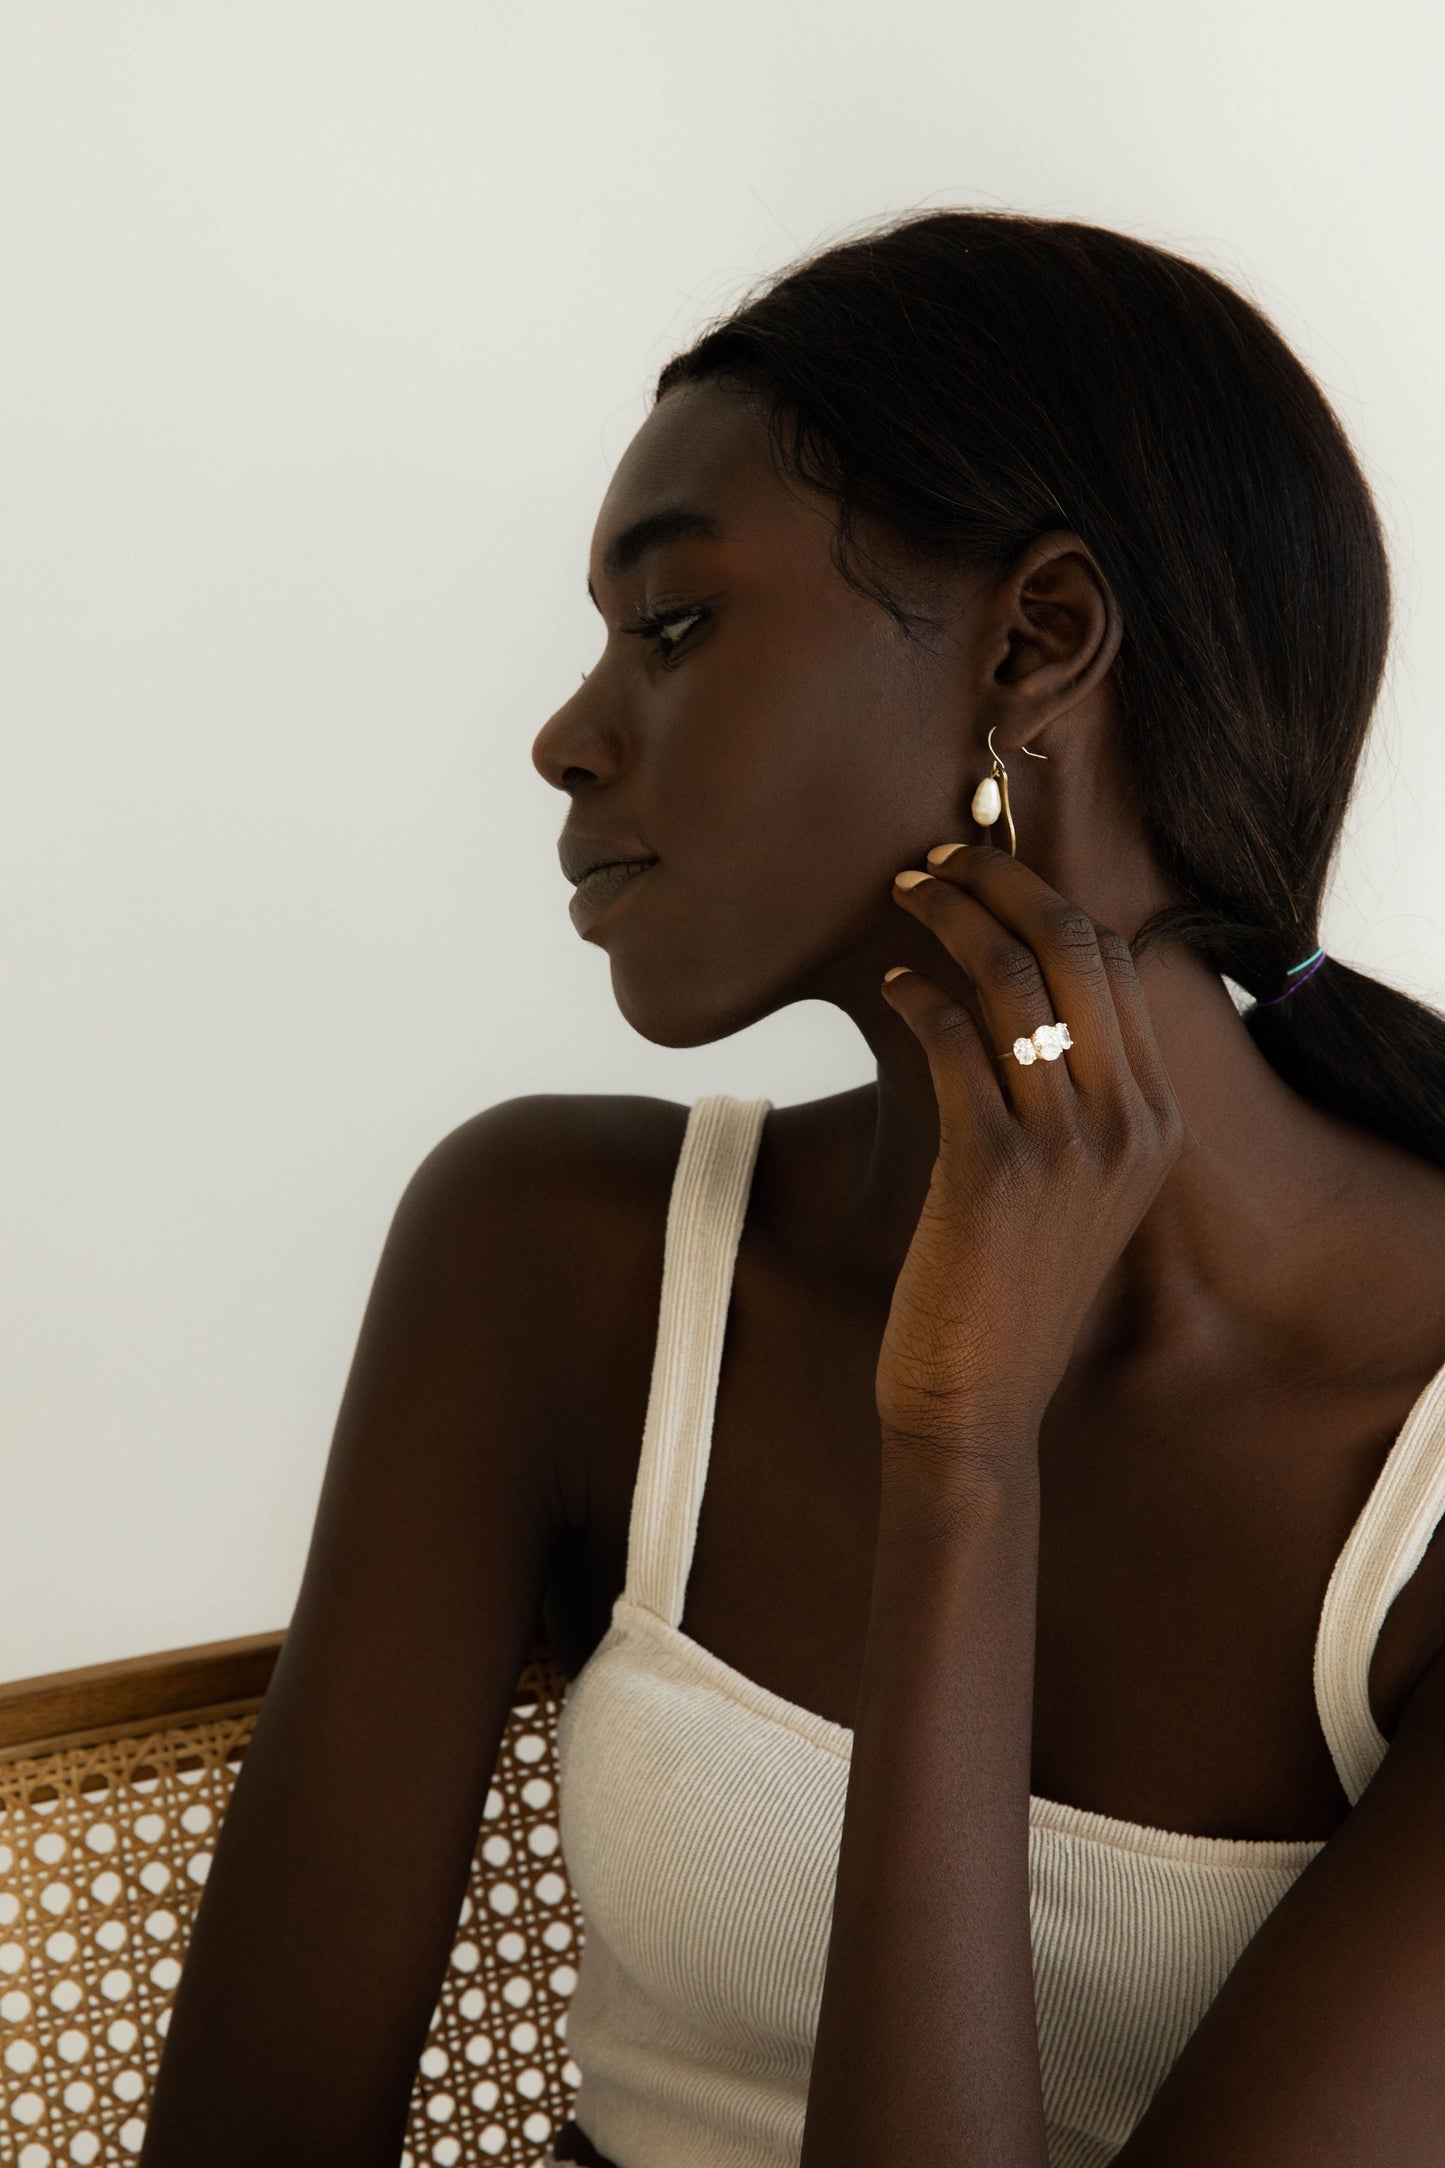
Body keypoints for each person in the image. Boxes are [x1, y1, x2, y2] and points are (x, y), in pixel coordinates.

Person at [139, 211, 1445, 2168]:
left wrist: (962, 1458)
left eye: (671, 626)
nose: (563, 739)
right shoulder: (547, 1255)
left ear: (1037, 643)